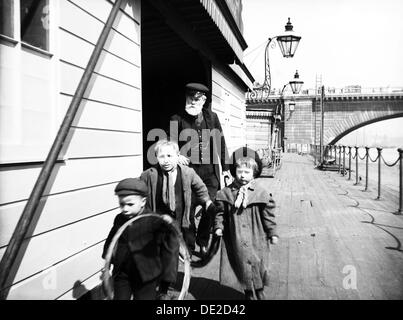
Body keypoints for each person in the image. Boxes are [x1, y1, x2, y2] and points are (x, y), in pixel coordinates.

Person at [168, 82, 231, 255]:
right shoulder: (177, 118)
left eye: (196, 99)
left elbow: (220, 143)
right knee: (187, 209)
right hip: (187, 172)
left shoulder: (212, 117)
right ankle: (188, 245)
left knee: (212, 206)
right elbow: (171, 141)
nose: (193, 102)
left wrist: (226, 169)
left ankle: (203, 239)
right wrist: (175, 154)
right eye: (190, 98)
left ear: (204, 100)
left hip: (209, 173)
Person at [213, 148, 278, 300]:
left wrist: (272, 232)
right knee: (241, 265)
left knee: (257, 264)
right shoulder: (226, 193)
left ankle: (260, 290)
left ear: (254, 173)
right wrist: (218, 227)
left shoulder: (261, 194)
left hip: (257, 236)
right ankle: (248, 293)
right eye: (239, 171)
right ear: (234, 172)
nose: (242, 175)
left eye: (247, 172)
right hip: (235, 236)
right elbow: (220, 213)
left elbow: (269, 216)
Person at [102, 178, 178, 300]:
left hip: (146, 274)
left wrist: (169, 224)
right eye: (122, 204)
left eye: (130, 204)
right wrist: (108, 258)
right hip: (122, 271)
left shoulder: (154, 220)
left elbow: (169, 243)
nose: (125, 209)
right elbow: (112, 239)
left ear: (143, 202)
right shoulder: (119, 219)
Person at [140, 140, 215, 257]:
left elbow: (200, 188)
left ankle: (187, 259)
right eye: (162, 156)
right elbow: (139, 188)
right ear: (156, 157)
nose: (166, 160)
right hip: (161, 218)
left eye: (170, 156)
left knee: (186, 244)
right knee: (163, 249)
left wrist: (207, 201)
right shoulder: (150, 174)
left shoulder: (188, 172)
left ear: (178, 156)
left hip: (182, 217)